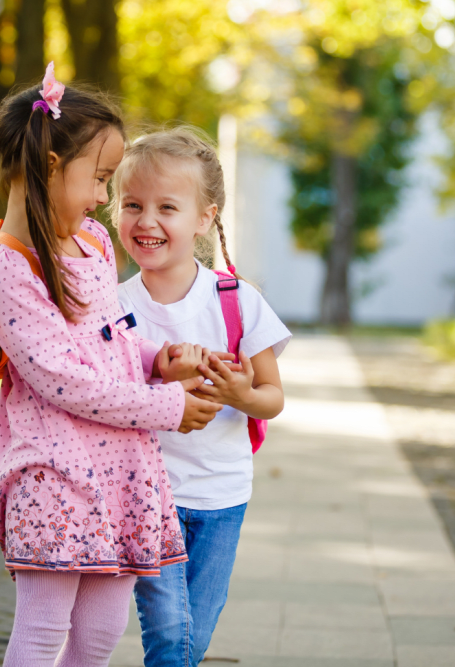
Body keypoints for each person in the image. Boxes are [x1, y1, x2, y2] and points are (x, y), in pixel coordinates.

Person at [0, 65, 223, 667]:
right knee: (43, 630)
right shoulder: (8, 267)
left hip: (120, 472)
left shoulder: (90, 241)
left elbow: (106, 339)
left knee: (102, 632)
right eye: (101, 178)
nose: (103, 199)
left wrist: (157, 361)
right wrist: (168, 406)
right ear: (54, 166)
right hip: (57, 475)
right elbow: (65, 379)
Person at [114, 127, 292, 667]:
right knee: (170, 636)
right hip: (146, 495)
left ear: (204, 218)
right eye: (133, 205)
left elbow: (272, 398)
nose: (147, 221)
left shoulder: (236, 300)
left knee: (196, 631)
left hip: (222, 495)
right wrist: (159, 382)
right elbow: (106, 396)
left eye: (167, 206)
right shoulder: (110, 305)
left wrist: (240, 392)